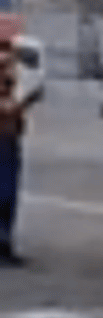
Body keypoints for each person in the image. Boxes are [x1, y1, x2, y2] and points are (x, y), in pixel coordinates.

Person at [0, 37, 44, 267]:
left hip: (9, 141)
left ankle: (5, 243)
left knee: (8, 197)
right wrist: (26, 102)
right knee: (4, 194)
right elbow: (8, 111)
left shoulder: (12, 80)